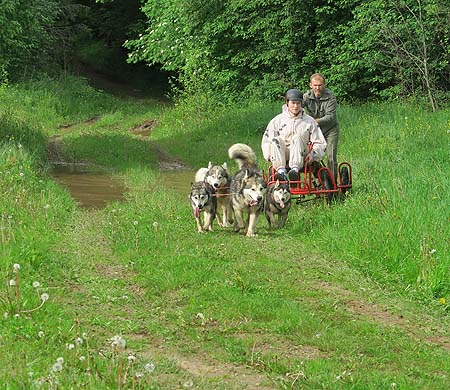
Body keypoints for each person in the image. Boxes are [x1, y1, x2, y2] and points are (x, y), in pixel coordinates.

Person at [261, 88, 326, 182]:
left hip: (302, 156)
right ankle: (281, 172)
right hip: (282, 156)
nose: (295, 106)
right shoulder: (276, 121)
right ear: (287, 103)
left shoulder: (309, 121)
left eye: (298, 103)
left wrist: (313, 155)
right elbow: (266, 142)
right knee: (276, 140)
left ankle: (294, 171)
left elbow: (319, 142)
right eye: (293, 103)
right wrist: (269, 156)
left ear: (301, 104)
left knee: (296, 137)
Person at [303, 73, 339, 181]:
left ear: (324, 85)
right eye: (315, 85)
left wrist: (312, 121)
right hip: (314, 132)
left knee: (331, 156)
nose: (317, 88)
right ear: (310, 85)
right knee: (312, 157)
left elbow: (330, 117)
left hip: (330, 130)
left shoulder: (330, 97)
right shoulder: (306, 97)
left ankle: (332, 184)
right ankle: (320, 180)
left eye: (320, 85)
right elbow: (295, 107)